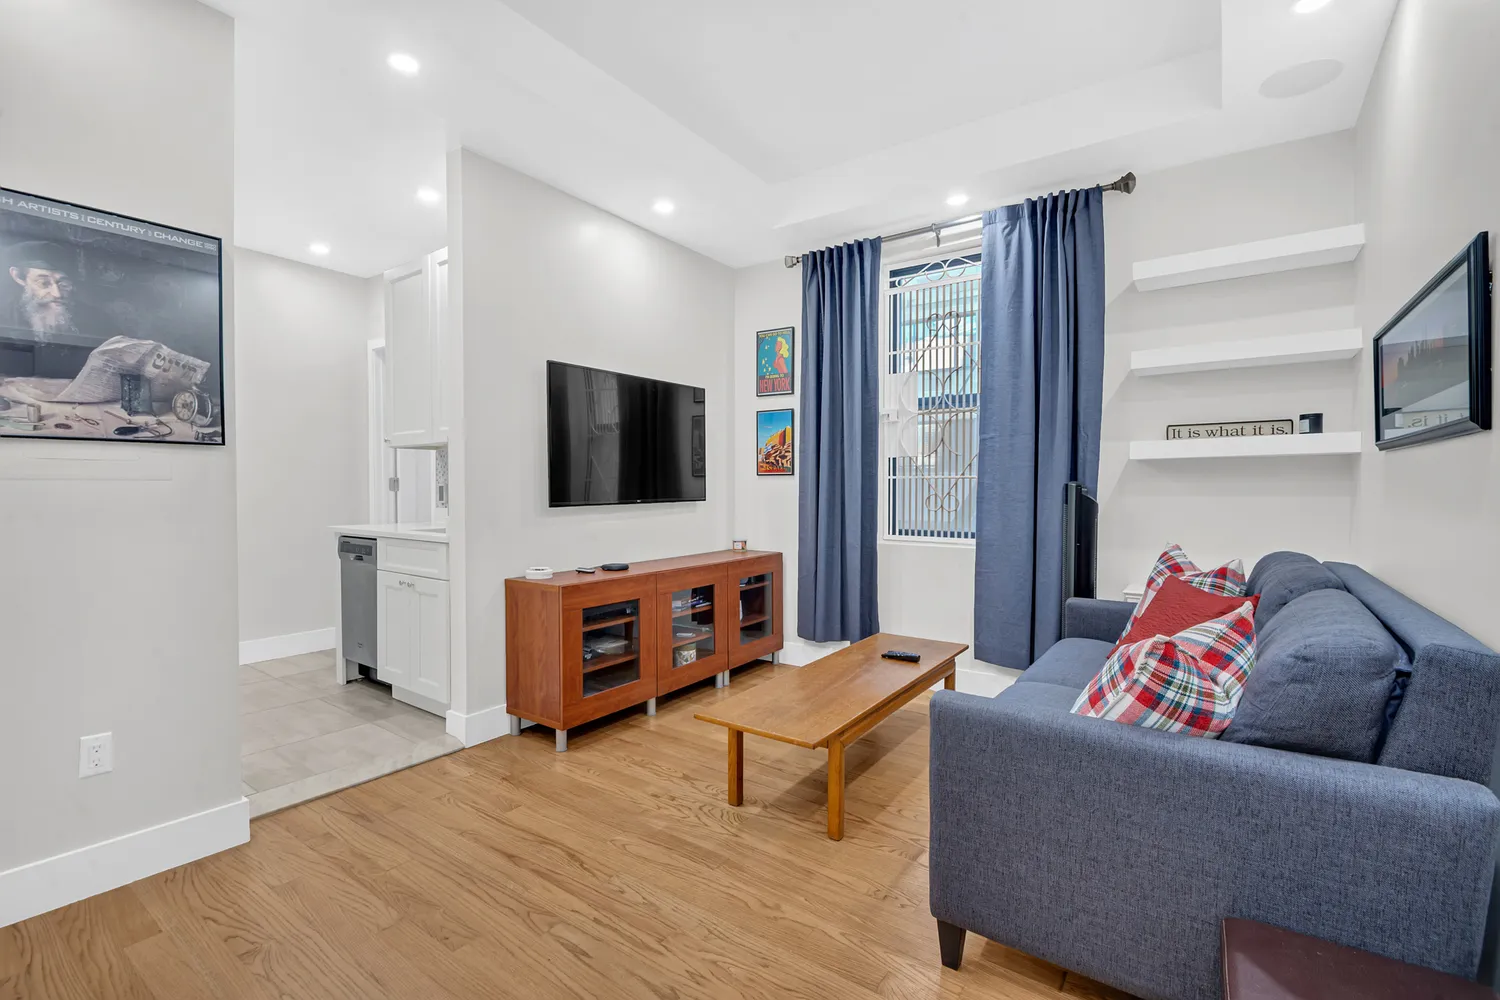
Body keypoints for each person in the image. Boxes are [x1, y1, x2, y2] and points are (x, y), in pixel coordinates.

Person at [0, 240, 115, 378]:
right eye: (43, 283)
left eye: (63, 283)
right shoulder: (4, 317)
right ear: (19, 277)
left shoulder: (100, 319)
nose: (57, 294)